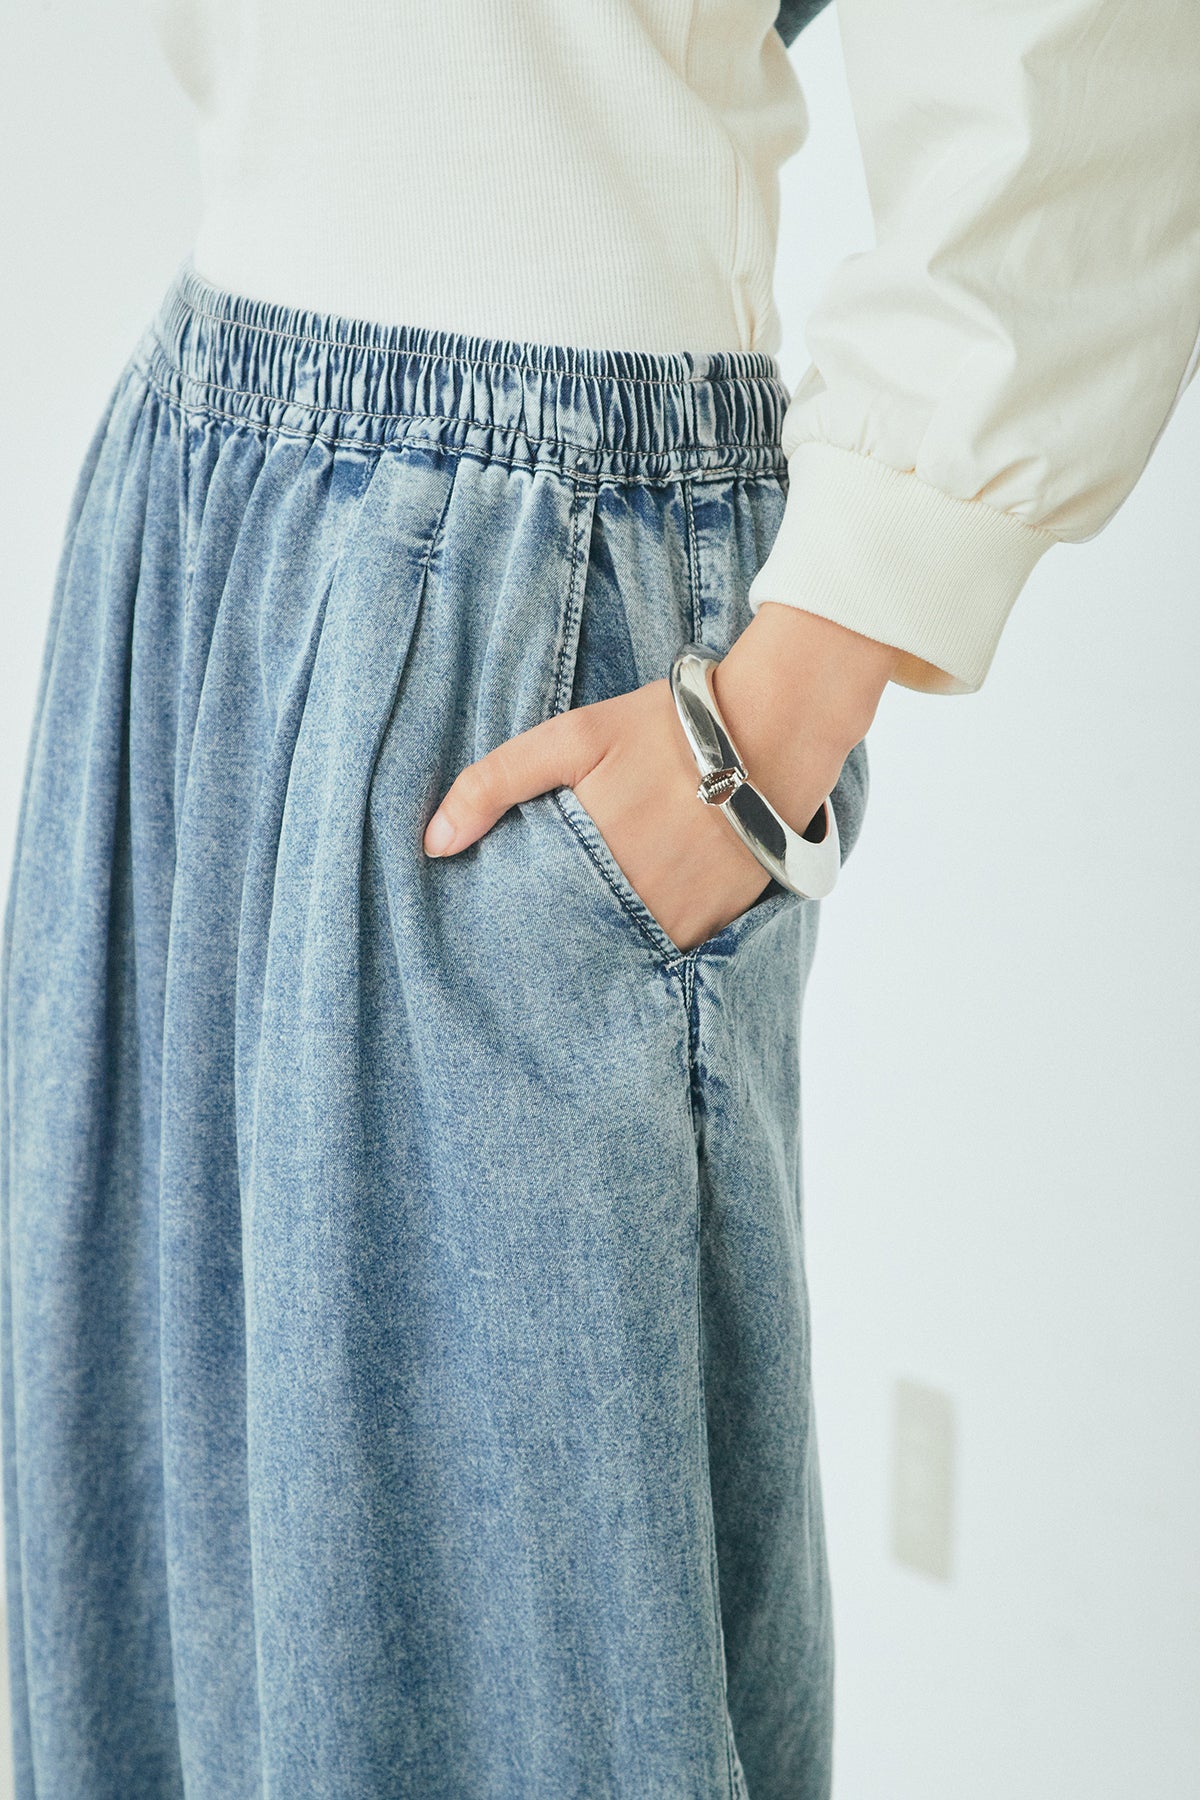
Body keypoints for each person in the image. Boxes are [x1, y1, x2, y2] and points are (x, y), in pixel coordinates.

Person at [1, 3, 1196, 1796]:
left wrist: (783, 707)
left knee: (511, 1704)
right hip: (196, 520)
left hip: (514, 568)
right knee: (160, 1657)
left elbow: (1077, 53)